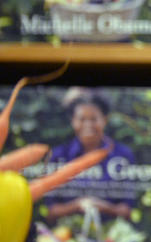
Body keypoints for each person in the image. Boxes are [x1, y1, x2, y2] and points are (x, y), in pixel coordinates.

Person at [45, 87, 136, 222]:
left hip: (111, 238)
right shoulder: (58, 156)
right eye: (81, 119)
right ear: (73, 121)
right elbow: (51, 212)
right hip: (68, 236)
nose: (88, 125)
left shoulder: (122, 156)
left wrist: (103, 207)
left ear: (104, 120)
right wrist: (76, 205)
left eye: (94, 119)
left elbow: (127, 212)